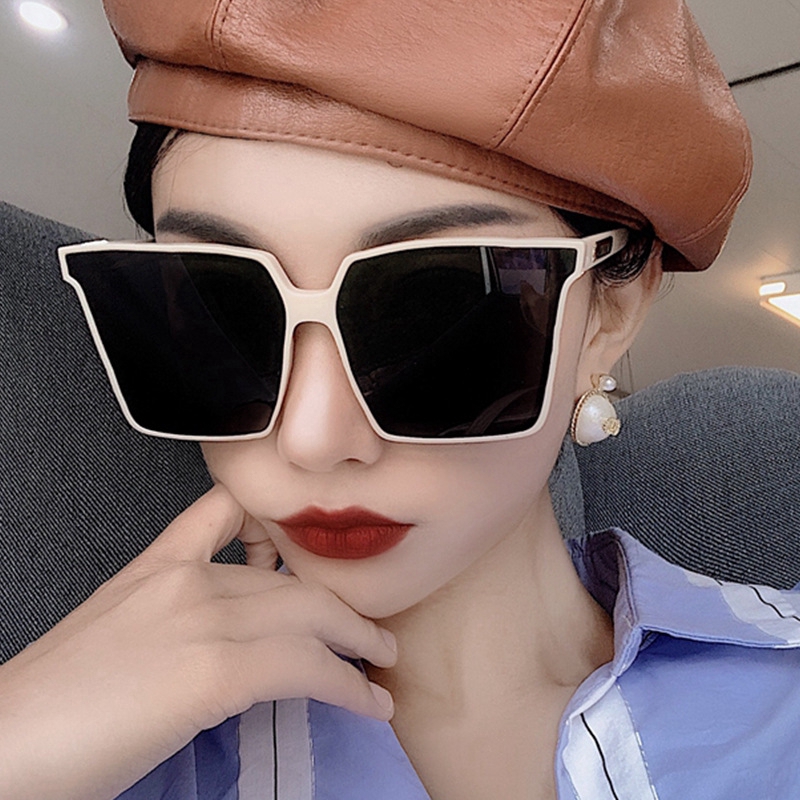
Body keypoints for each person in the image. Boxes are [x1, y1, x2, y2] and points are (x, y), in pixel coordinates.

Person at [3, 1, 799, 798]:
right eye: (223, 308)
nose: (313, 438)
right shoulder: (104, 760)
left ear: (608, 313)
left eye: (434, 309)